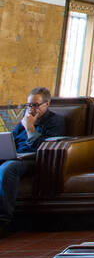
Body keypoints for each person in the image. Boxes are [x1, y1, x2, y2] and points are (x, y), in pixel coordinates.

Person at [0, 87, 62, 237]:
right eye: (29, 105)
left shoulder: (56, 121)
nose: (32, 109)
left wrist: (30, 128)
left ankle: (3, 222)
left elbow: (45, 147)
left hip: (36, 159)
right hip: (17, 156)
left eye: (35, 105)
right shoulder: (23, 120)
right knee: (7, 163)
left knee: (8, 168)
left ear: (46, 105)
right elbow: (12, 140)